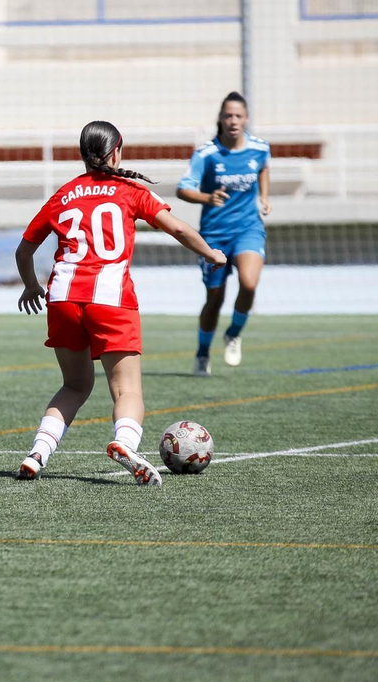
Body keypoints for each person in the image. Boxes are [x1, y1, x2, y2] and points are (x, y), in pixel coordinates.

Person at [13, 121, 227, 485]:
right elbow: (176, 228)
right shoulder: (130, 191)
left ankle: (37, 453)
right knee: (127, 391)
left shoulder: (63, 194)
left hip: (62, 296)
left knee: (75, 386)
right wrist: (211, 253)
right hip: (110, 298)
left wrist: (32, 285)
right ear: (116, 152)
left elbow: (24, 249)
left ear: (83, 155)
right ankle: (125, 443)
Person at [176, 92, 270, 376]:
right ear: (220, 118)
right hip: (214, 236)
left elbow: (263, 169)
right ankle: (203, 353)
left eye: (238, 116)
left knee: (249, 283)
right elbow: (183, 189)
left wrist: (263, 197)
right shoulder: (206, 154)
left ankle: (234, 333)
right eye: (228, 115)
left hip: (248, 229)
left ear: (246, 119)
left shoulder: (259, 148)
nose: (233, 121)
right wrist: (206, 197)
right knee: (214, 299)